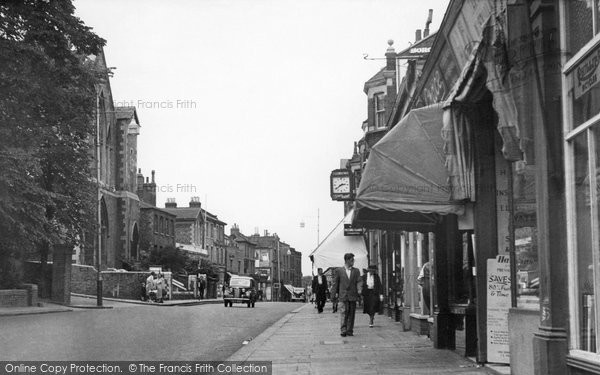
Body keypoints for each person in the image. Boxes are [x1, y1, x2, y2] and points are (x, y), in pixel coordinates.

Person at [332, 253, 363, 337]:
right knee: (343, 312)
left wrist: (359, 289)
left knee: (351, 314)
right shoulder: (339, 271)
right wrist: (333, 294)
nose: (353, 261)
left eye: (353, 260)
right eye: (351, 260)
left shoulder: (356, 271)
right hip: (343, 296)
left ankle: (350, 330)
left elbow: (359, 281)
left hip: (353, 295)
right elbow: (335, 284)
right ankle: (343, 330)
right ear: (346, 260)